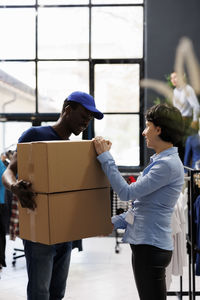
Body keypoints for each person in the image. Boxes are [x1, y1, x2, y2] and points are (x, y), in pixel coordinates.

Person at [2, 91, 103, 300]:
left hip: (64, 231)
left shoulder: (74, 149)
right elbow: (8, 172)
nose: (86, 123)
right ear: (68, 110)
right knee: (40, 292)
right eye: (84, 116)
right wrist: (15, 188)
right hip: (38, 230)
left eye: (89, 119)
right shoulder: (35, 136)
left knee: (58, 292)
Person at [93, 104, 184, 300]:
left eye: (147, 126)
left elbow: (126, 193)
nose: (144, 132)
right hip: (148, 245)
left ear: (159, 129)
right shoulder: (161, 161)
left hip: (151, 247)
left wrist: (106, 158)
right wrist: (112, 222)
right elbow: (142, 208)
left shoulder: (166, 166)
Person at [170, 71, 200, 160]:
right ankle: (180, 171)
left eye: (175, 77)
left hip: (188, 122)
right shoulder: (175, 91)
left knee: (187, 149)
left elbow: (196, 106)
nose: (173, 80)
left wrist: (195, 121)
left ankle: (186, 172)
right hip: (178, 122)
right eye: (172, 78)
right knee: (177, 148)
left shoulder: (187, 89)